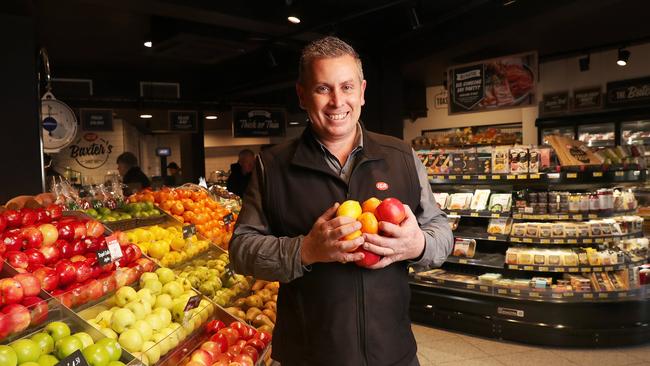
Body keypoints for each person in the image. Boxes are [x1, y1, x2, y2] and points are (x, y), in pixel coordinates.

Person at [229, 36, 453, 366]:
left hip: (393, 355)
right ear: (302, 95)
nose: (337, 101)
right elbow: (241, 251)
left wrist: (419, 245)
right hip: (308, 357)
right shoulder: (272, 167)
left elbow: (441, 231)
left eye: (347, 87)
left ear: (362, 91)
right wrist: (305, 250)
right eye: (323, 88)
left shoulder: (402, 157)